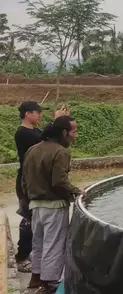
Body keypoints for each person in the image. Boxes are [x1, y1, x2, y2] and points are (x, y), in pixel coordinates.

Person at [22, 115, 82, 293]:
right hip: (53, 207)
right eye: (74, 131)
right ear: (64, 133)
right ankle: (50, 284)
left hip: (35, 205)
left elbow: (23, 180)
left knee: (38, 243)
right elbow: (59, 182)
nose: (75, 135)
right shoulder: (61, 152)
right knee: (53, 245)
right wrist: (78, 191)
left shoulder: (32, 150)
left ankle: (36, 278)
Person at [13, 101, 67, 275]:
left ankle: (34, 257)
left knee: (34, 219)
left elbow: (47, 137)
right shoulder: (23, 134)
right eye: (37, 112)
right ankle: (22, 257)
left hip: (36, 179)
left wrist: (57, 122)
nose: (40, 115)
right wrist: (57, 122)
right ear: (27, 114)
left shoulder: (35, 131)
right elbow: (44, 142)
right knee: (28, 219)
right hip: (27, 181)